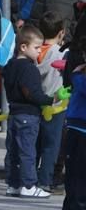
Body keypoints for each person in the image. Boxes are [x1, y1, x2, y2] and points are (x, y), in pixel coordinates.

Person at [3, 26, 55, 198]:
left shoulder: (10, 65)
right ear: (23, 47)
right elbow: (31, 92)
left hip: (14, 113)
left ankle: (13, 183)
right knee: (27, 151)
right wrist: (49, 100)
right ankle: (28, 184)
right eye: (37, 47)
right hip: (28, 114)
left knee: (13, 151)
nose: (40, 51)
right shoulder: (29, 68)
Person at [61, 16, 86, 210]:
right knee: (76, 183)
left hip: (82, 128)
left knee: (79, 184)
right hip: (78, 127)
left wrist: (78, 76)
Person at [36, 12, 67, 191]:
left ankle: (30, 177)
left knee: (36, 145)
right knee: (51, 146)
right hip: (56, 105)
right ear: (61, 33)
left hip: (37, 103)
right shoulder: (63, 53)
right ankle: (45, 180)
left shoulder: (36, 50)